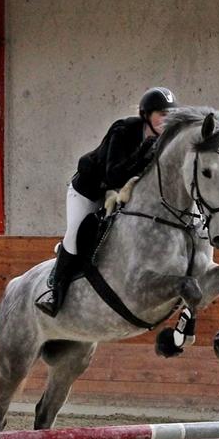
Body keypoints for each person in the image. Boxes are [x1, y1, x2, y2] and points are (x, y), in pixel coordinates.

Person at [35, 86, 178, 316]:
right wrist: (143, 151)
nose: (166, 119)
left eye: (170, 114)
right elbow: (113, 176)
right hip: (89, 190)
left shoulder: (167, 139)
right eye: (162, 114)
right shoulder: (123, 130)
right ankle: (54, 291)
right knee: (76, 235)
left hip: (123, 195)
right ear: (146, 115)